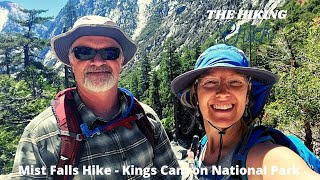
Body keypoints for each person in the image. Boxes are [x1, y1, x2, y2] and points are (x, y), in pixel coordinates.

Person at [11, 15, 180, 179]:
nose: (98, 62)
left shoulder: (146, 118)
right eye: (84, 52)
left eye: (110, 53)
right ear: (71, 61)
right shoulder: (41, 136)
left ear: (121, 61)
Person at [170, 44, 320, 179]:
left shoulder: (262, 155)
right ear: (196, 94)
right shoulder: (203, 146)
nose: (223, 93)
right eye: (210, 82)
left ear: (247, 94)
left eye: (235, 82)